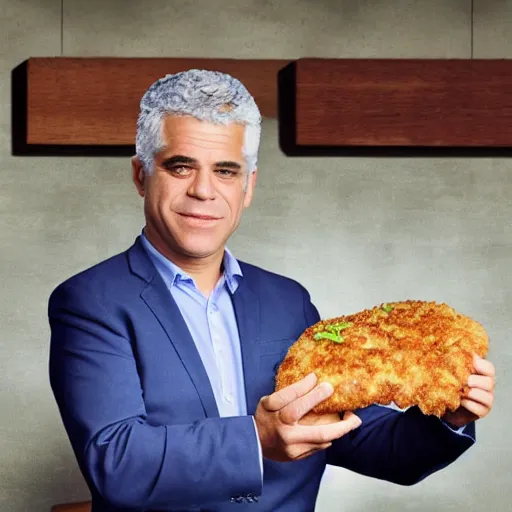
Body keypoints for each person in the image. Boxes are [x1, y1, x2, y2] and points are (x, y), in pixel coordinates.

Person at [48, 69, 495, 512]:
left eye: (226, 171)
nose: (204, 190)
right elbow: (116, 461)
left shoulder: (288, 301)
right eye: (181, 166)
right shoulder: (91, 302)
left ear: (248, 187)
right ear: (141, 176)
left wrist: (450, 417)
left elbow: (368, 438)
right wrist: (256, 440)